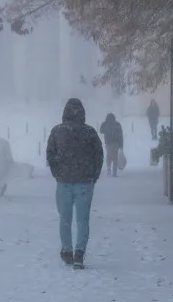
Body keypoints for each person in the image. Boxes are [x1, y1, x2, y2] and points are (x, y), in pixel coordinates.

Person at [46, 98, 104, 269]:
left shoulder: (57, 131)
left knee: (65, 218)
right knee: (82, 220)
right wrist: (94, 175)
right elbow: (99, 155)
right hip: (85, 181)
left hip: (64, 181)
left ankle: (66, 251)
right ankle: (79, 253)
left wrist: (57, 173)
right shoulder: (90, 132)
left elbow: (50, 154)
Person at [99, 112, 125, 177]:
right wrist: (121, 145)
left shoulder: (105, 124)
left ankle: (108, 167)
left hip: (108, 143)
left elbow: (101, 130)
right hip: (116, 143)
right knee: (115, 158)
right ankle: (114, 172)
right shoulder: (117, 124)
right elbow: (120, 135)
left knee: (109, 156)